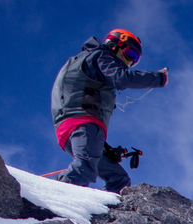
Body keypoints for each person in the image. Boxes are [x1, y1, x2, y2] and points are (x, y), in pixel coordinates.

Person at [52, 29, 169, 192]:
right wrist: (158, 78)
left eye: (133, 60)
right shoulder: (101, 55)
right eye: (130, 54)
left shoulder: (84, 61)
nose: (129, 62)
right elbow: (122, 78)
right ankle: (54, 200)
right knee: (84, 168)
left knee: (119, 179)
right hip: (84, 122)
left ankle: (101, 213)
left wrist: (104, 148)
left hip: (71, 126)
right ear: (115, 45)